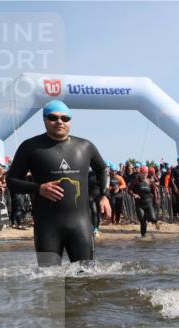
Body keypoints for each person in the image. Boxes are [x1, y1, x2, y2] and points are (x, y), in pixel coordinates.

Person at [7, 101, 110, 266]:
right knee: (49, 280)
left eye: (65, 118)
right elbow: (11, 181)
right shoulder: (30, 147)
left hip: (80, 224)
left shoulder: (85, 146)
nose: (59, 121)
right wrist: (38, 188)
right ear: (44, 120)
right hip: (47, 225)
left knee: (86, 277)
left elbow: (103, 169)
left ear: (70, 121)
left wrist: (104, 195)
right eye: (53, 117)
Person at [130, 166, 159, 237]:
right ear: (140, 173)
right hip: (139, 204)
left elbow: (155, 191)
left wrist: (156, 201)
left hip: (149, 203)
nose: (144, 174)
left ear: (147, 173)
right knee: (142, 221)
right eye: (142, 173)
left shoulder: (150, 182)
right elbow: (129, 190)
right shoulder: (135, 181)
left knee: (153, 218)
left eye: (145, 173)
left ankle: (155, 222)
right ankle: (143, 236)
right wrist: (133, 194)